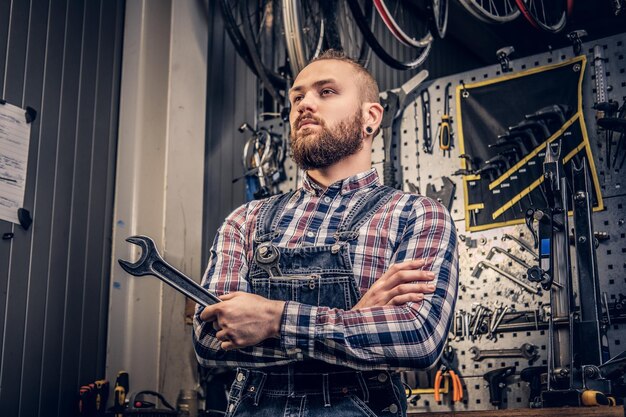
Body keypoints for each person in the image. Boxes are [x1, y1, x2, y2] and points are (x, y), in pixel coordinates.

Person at [193, 49, 458, 417]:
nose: (304, 105)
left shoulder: (418, 215)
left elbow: (418, 336)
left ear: (371, 117)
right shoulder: (245, 219)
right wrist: (355, 318)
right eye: (297, 97)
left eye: (326, 92)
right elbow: (210, 339)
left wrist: (272, 319)